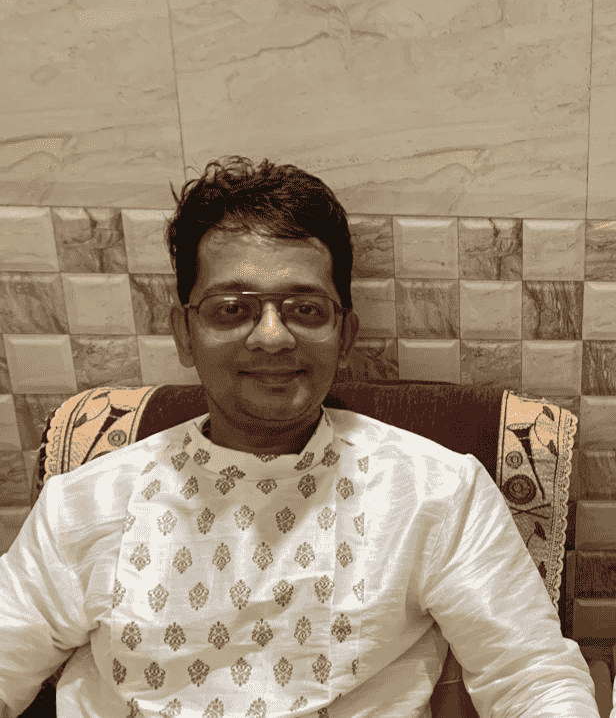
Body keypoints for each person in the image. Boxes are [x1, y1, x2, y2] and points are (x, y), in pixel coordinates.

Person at [0, 156, 603, 718]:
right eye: (232, 308)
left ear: (345, 335)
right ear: (184, 333)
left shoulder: (438, 493)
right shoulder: (85, 503)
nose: (272, 336)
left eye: (305, 309)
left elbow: (533, 679)